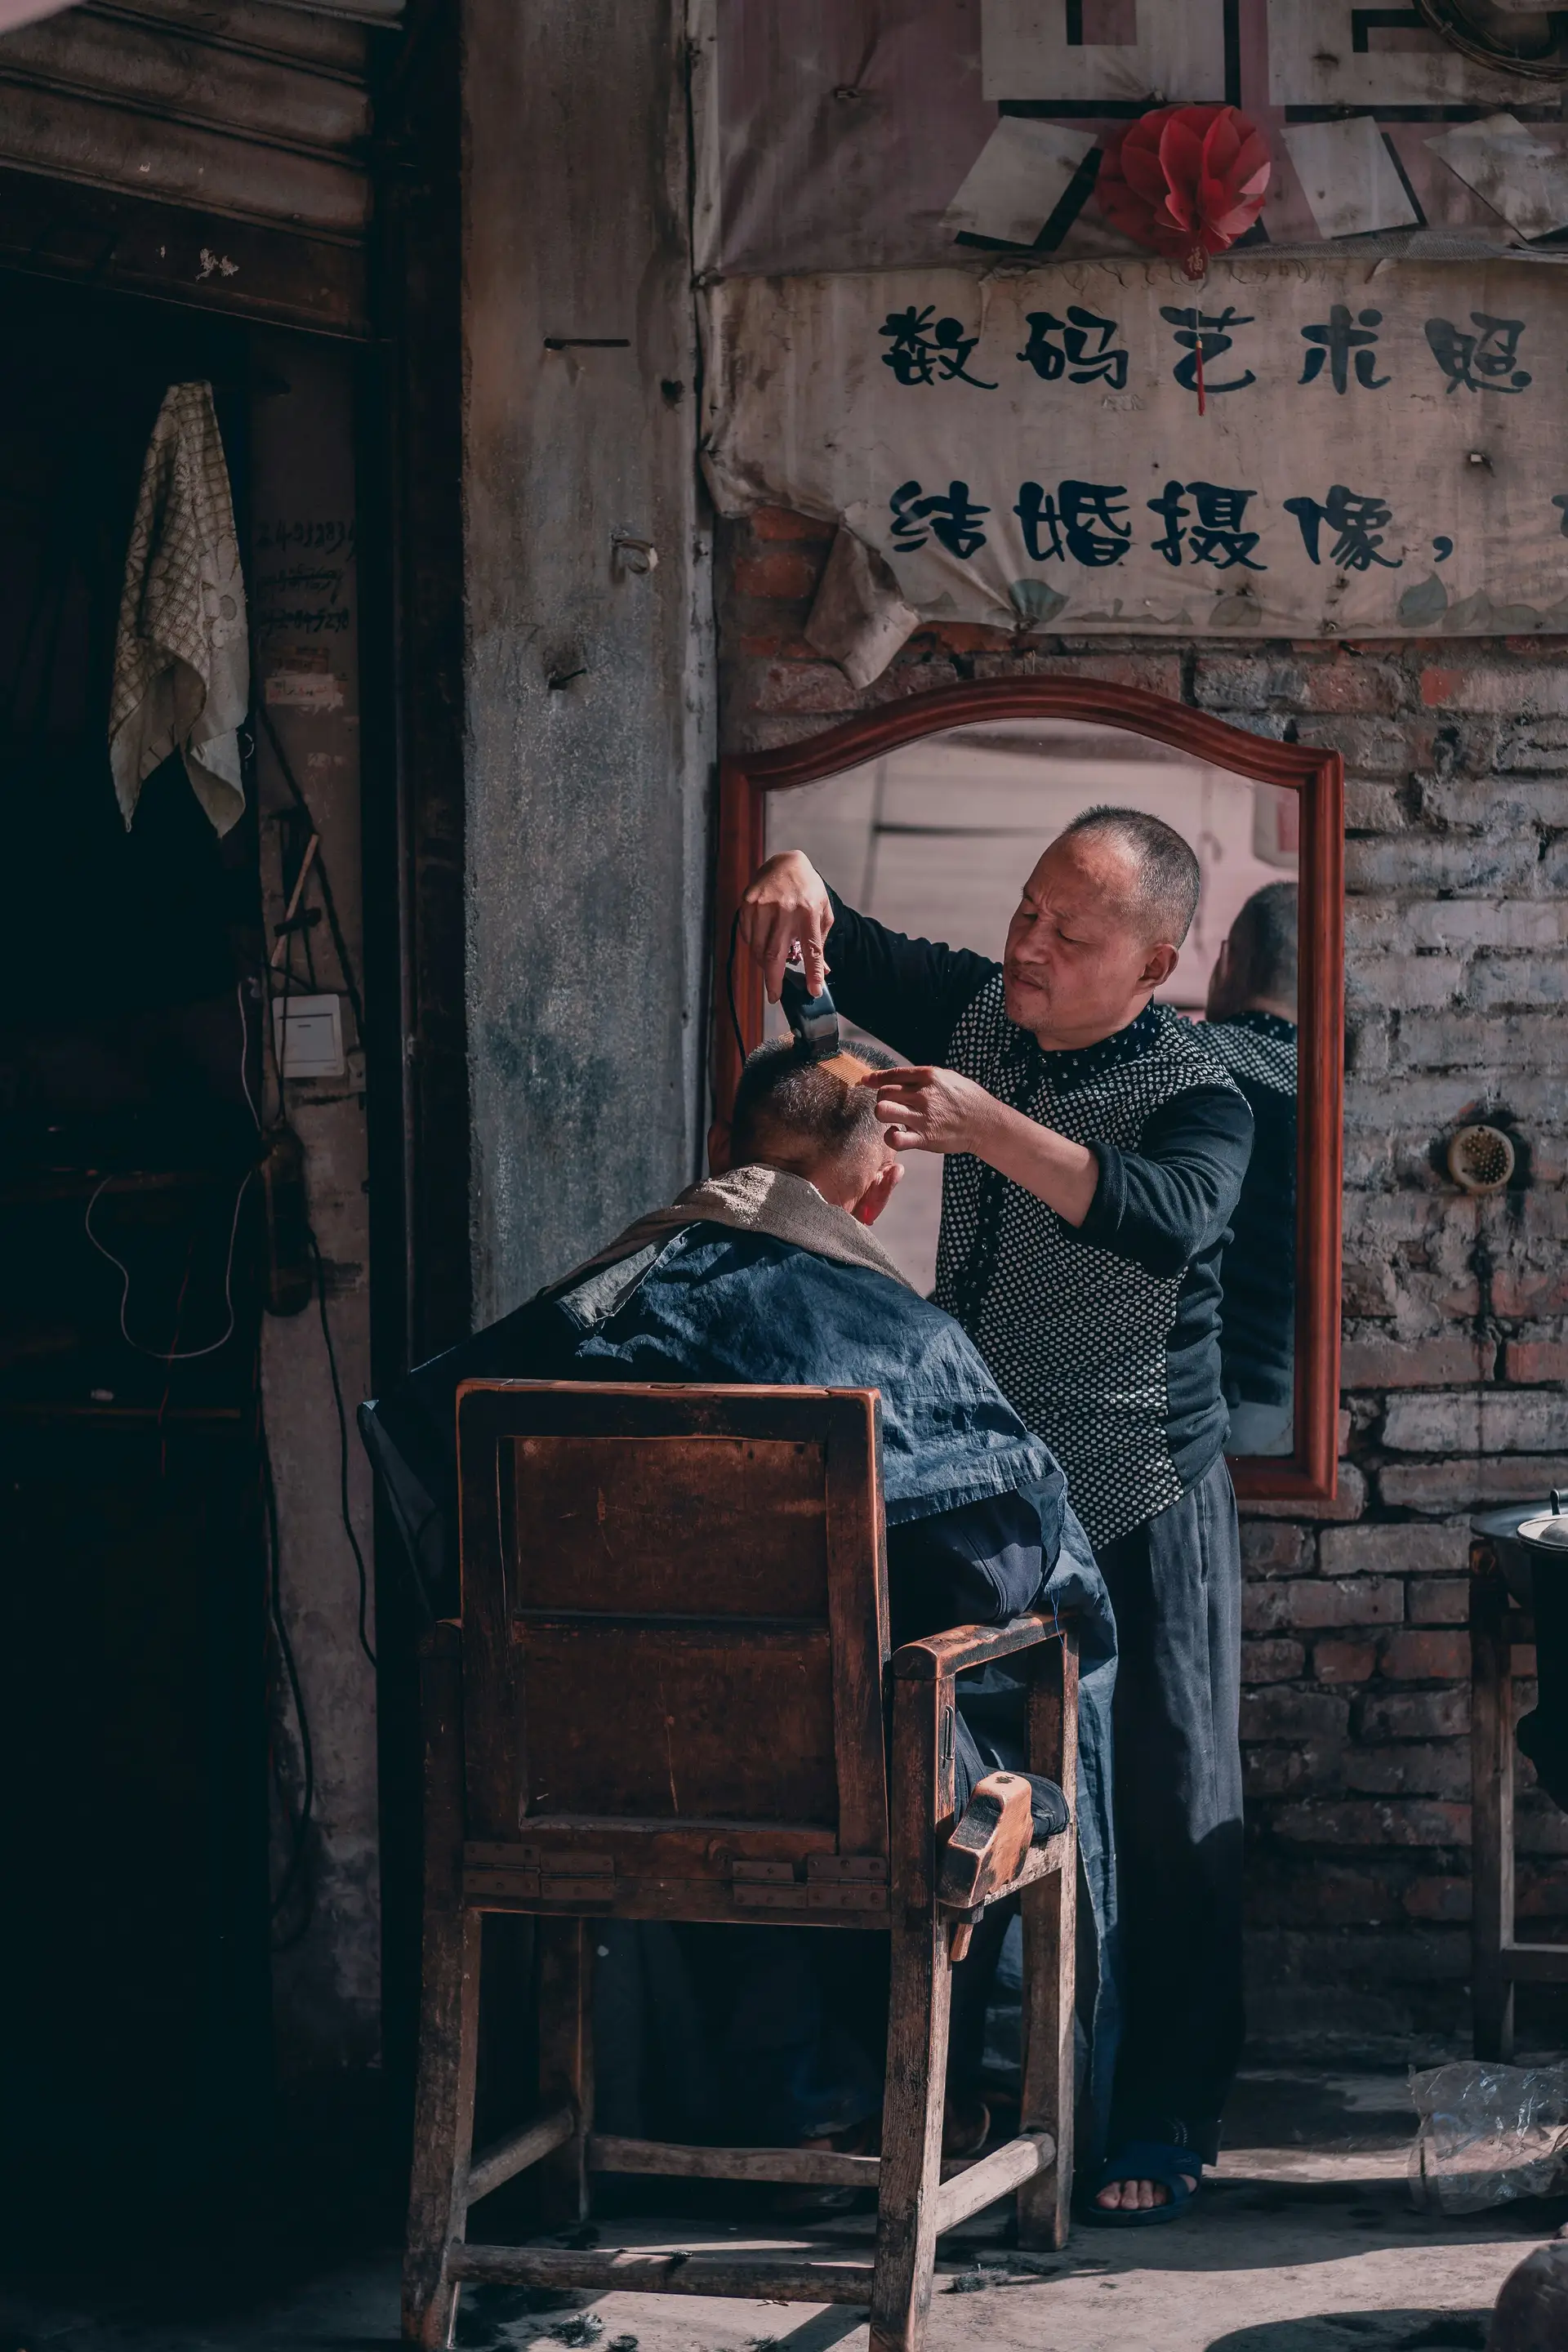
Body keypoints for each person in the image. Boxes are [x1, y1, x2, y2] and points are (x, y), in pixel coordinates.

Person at [363, 1036, 1117, 2161]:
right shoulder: (904, 1342)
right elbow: (998, 1578)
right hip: (837, 1789)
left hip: (576, 1774)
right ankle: (989, 2101)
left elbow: (437, 1501)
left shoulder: (573, 1320)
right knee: (1002, 1702)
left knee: (720, 1711)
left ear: (720, 1152)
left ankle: (798, 2094)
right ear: (876, 1189)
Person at [740, 805, 1254, 2223]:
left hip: (1142, 1490)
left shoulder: (1200, 1091)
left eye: (1067, 936)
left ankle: (1162, 2115)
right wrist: (790, 873)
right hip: (980, 1488)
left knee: (1164, 1808)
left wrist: (988, 1126)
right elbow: (827, 913)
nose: (1026, 948)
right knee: (949, 1796)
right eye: (1027, 912)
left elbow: (1160, 1214)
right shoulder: (981, 1004)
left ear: (1152, 963)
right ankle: (956, 2094)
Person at [1203, 881, 1299, 1458]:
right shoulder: (1341, 1095)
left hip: (1176, 1407)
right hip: (1296, 1412)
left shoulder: (1179, 1061)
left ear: (1229, 961)